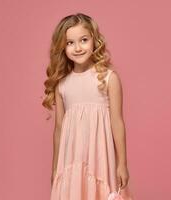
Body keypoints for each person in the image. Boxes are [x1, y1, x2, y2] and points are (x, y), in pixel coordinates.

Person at [42, 13, 134, 200]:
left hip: (100, 160)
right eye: (70, 43)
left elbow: (117, 123)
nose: (77, 48)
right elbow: (59, 129)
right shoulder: (62, 85)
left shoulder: (108, 79)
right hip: (71, 162)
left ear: (94, 39)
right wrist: (55, 168)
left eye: (83, 40)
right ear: (62, 47)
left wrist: (122, 163)